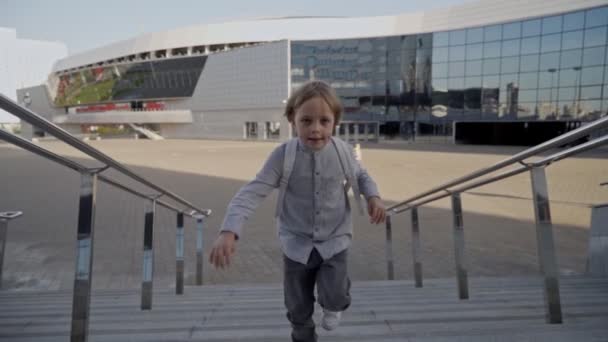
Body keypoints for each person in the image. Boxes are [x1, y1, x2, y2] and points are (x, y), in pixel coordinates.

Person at [209, 80, 386, 342]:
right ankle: (304, 336)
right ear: (293, 119)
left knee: (334, 295)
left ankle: (335, 303)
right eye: (306, 121)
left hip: (335, 238)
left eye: (324, 121)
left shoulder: (344, 152)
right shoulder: (283, 156)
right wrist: (229, 230)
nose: (315, 129)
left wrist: (374, 196)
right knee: (297, 308)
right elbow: (252, 192)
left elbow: (362, 175)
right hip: (296, 243)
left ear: (335, 122)